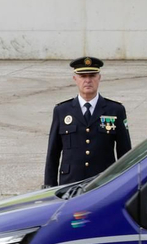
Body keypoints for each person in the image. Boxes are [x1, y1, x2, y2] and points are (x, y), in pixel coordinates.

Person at [45, 57, 131, 188]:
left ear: (99, 78)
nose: (87, 80)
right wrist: (49, 186)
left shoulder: (115, 110)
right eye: (83, 76)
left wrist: (125, 185)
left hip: (103, 182)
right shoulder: (62, 110)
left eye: (92, 76)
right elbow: (53, 153)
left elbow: (124, 153)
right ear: (75, 79)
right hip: (70, 183)